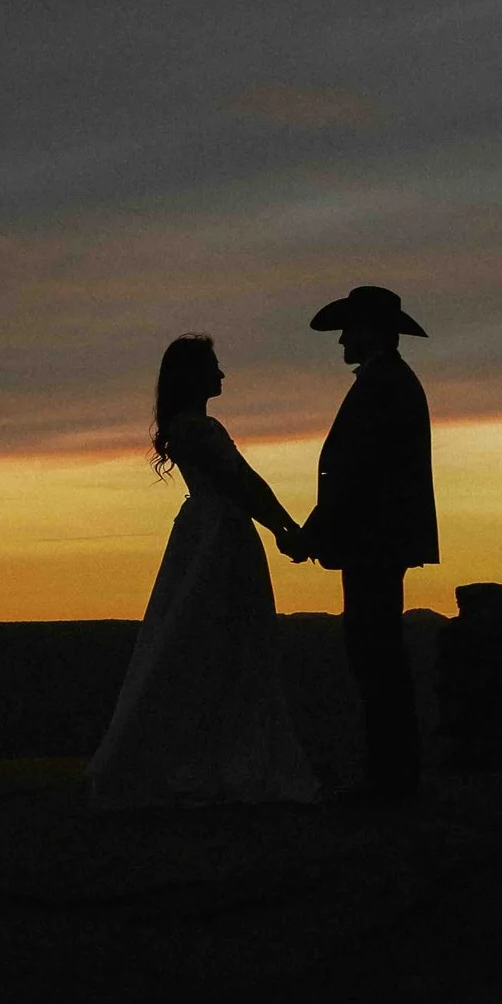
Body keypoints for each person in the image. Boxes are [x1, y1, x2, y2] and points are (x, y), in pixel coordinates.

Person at [86, 335, 323, 810]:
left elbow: (246, 481)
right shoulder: (199, 429)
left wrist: (282, 524)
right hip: (220, 538)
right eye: (215, 366)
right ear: (196, 374)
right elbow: (241, 483)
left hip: (207, 534)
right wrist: (285, 527)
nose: (222, 374)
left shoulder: (191, 427)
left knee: (201, 637)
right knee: (220, 639)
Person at [279, 286, 437, 805]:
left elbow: (356, 475)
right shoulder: (388, 381)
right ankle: (391, 778)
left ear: (370, 330)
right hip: (377, 540)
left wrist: (313, 532)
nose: (342, 338)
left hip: (374, 541)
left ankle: (390, 782)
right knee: (376, 655)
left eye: (349, 328)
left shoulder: (384, 385)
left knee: (375, 657)